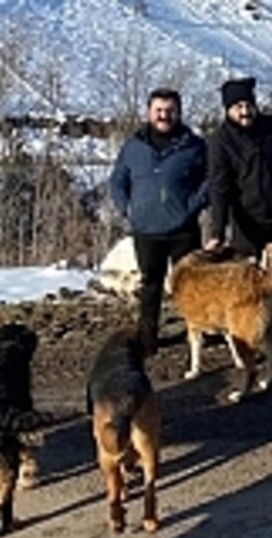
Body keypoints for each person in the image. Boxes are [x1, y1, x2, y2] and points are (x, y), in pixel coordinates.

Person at [109, 88, 207, 353]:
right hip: (146, 229)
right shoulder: (133, 146)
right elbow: (117, 180)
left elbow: (211, 179)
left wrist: (193, 206)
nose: (164, 116)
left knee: (191, 284)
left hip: (183, 228)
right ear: (149, 112)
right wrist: (127, 208)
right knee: (150, 285)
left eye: (170, 111)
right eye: (159, 110)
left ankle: (197, 334)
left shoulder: (194, 146)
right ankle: (147, 338)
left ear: (179, 113)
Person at [206, 77, 272, 256]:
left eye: (249, 105)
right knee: (247, 271)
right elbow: (219, 188)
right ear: (228, 109)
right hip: (247, 226)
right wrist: (217, 233)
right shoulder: (220, 141)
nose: (245, 112)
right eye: (239, 107)